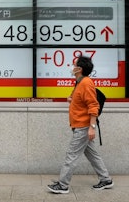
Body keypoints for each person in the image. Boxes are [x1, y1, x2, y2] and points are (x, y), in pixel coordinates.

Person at [47, 56, 113, 194]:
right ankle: (106, 179)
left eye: (74, 64)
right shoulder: (80, 82)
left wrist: (92, 127)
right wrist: (71, 99)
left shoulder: (86, 83)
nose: (71, 66)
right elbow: (81, 100)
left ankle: (63, 185)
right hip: (80, 125)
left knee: (71, 155)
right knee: (93, 155)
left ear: (79, 69)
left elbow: (93, 105)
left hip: (83, 126)